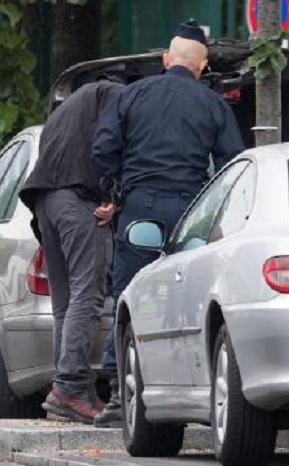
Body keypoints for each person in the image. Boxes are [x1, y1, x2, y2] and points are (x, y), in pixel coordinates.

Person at [91, 21, 245, 427]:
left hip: (139, 210)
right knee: (190, 299)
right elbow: (232, 161)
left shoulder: (133, 95)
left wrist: (113, 193)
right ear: (202, 65)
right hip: (189, 214)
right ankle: (187, 389)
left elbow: (103, 148)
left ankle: (118, 399)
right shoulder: (213, 104)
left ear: (165, 60)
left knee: (128, 295)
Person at [19, 76, 124, 424]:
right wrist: (112, 194)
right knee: (88, 295)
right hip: (77, 200)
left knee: (65, 302)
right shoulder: (116, 96)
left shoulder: (70, 105)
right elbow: (110, 145)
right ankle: (71, 387)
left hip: (44, 201)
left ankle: (71, 389)